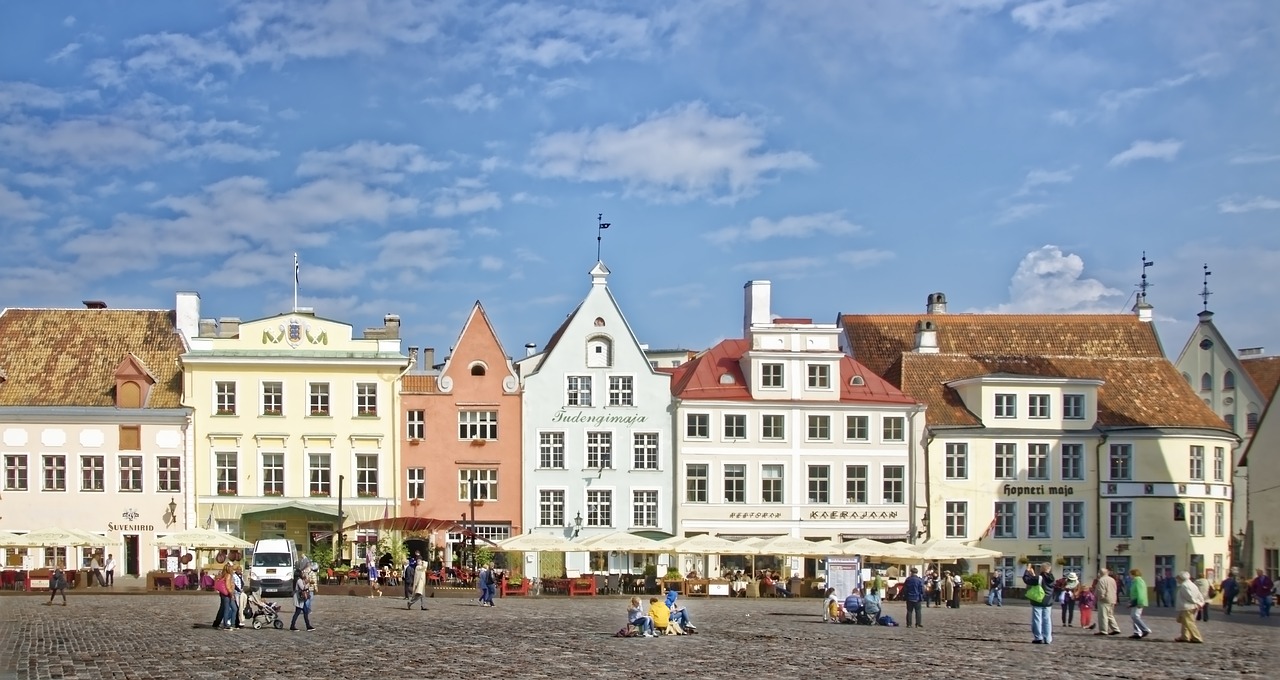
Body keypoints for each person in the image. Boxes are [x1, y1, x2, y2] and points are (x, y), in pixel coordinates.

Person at [1023, 563, 1055, 644]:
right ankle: (1048, 638)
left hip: (1038, 600)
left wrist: (1027, 570)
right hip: (1048, 601)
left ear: (1041, 569)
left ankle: (1038, 637)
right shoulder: (1052, 578)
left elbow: (1027, 580)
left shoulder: (1039, 578)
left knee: (1037, 619)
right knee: (1047, 620)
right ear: (1049, 569)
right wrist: (1033, 574)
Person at [1173, 571, 1205, 643]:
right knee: (1185, 622)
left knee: (1189, 623)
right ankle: (1185, 636)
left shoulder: (1185, 585)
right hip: (1189, 606)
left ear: (1181, 578)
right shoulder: (1192, 584)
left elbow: (1190, 596)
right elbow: (1199, 595)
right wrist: (1200, 602)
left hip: (1187, 607)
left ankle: (1197, 637)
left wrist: (1196, 602)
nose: (1177, 580)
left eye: (1178, 578)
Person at [1094, 568, 1122, 636]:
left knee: (1103, 615)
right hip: (1112, 599)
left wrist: (1100, 597)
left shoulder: (1102, 580)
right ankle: (1116, 629)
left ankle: (1103, 630)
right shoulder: (1112, 579)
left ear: (1100, 573)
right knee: (1110, 615)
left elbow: (1101, 590)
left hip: (1104, 600)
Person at [1127, 568, 1151, 639]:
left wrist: (1140, 602)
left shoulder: (1138, 581)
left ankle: (1145, 629)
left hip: (1138, 601)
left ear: (1133, 574)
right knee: (1134, 616)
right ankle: (1137, 632)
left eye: (1130, 574)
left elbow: (1141, 593)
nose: (1129, 576)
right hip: (1135, 600)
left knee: (1135, 616)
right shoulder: (1135, 581)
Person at [290, 567, 315, 631]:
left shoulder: (295, 580)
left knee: (305, 611)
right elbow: (303, 588)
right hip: (300, 598)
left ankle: (308, 626)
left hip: (299, 597)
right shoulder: (299, 580)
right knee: (298, 612)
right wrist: (307, 584)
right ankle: (292, 626)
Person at [215, 563, 237, 630]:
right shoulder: (228, 575)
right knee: (227, 609)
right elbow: (228, 586)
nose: (233, 569)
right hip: (227, 594)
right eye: (232, 567)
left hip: (225, 594)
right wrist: (231, 594)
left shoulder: (224, 575)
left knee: (234, 609)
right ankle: (225, 625)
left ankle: (232, 624)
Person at [233, 564, 247, 629]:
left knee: (241, 607)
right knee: (238, 607)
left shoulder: (240, 576)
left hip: (240, 593)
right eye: (239, 570)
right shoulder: (234, 576)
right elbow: (234, 585)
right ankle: (237, 622)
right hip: (236, 593)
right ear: (236, 570)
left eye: (241, 570)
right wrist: (239, 590)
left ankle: (240, 621)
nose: (240, 571)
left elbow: (242, 583)